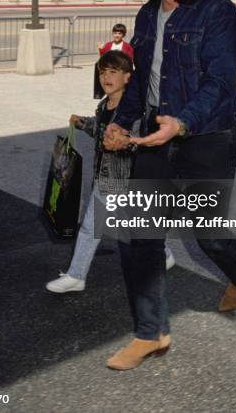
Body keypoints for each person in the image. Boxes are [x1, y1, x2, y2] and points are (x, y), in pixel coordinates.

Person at [103, 0, 236, 371]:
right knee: (138, 235)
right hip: (154, 136)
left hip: (206, 137)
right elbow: (139, 84)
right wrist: (119, 122)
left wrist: (183, 123)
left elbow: (218, 83)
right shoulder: (147, 15)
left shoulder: (218, 12)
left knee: (206, 233)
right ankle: (151, 333)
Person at [46, 50, 174, 294]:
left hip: (119, 176)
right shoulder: (105, 104)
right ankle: (164, 253)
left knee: (91, 228)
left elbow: (136, 139)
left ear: (127, 77)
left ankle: (76, 275)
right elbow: (100, 129)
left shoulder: (133, 109)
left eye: (113, 72)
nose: (106, 77)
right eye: (103, 72)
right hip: (107, 175)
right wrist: (82, 123)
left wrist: (124, 140)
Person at [94, 24, 134, 99]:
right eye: (115, 33)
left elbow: (129, 61)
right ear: (112, 34)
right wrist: (101, 49)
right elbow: (104, 59)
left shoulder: (127, 47)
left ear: (123, 35)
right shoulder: (108, 45)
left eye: (119, 33)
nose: (117, 35)